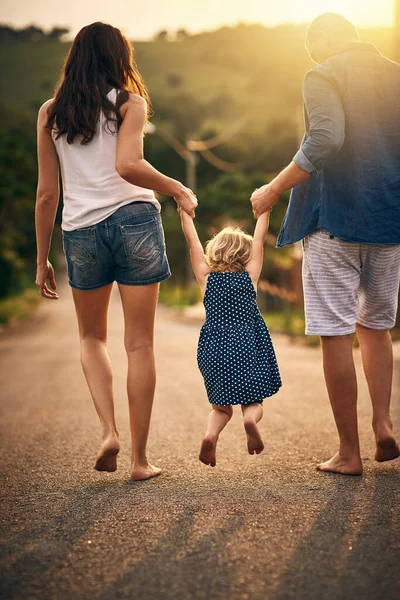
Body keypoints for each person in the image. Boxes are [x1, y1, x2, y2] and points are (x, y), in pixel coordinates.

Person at [35, 22, 197, 480]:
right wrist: (177, 188)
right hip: (135, 222)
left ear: (75, 58)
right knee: (140, 343)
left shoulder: (51, 113)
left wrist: (42, 257)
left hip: (81, 231)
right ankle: (140, 461)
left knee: (92, 339)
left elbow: (47, 194)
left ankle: (108, 431)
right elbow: (128, 165)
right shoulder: (130, 104)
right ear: (119, 58)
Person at [250, 13, 400, 475]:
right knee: (376, 326)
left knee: (335, 332)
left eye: (315, 48)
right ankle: (383, 424)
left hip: (333, 218)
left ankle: (349, 454)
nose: (315, 57)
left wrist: (273, 189)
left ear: (324, 38)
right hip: (389, 221)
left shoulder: (323, 73)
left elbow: (326, 137)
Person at [179, 207, 281, 466]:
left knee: (221, 407)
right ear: (245, 256)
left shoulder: (206, 278)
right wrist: (265, 212)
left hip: (214, 348)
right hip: (247, 345)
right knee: (252, 401)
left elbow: (192, 241)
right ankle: (249, 420)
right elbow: (259, 240)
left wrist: (184, 214)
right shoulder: (249, 277)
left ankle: (211, 435)